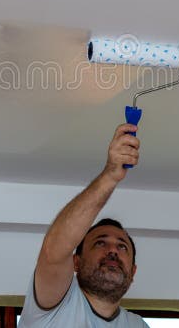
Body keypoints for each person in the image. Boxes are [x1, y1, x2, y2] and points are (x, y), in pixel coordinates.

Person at [18, 124, 150, 327]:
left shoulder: (137, 325)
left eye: (122, 246)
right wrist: (110, 175)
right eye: (100, 243)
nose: (113, 250)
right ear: (76, 263)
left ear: (133, 272)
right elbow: (54, 253)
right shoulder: (56, 306)